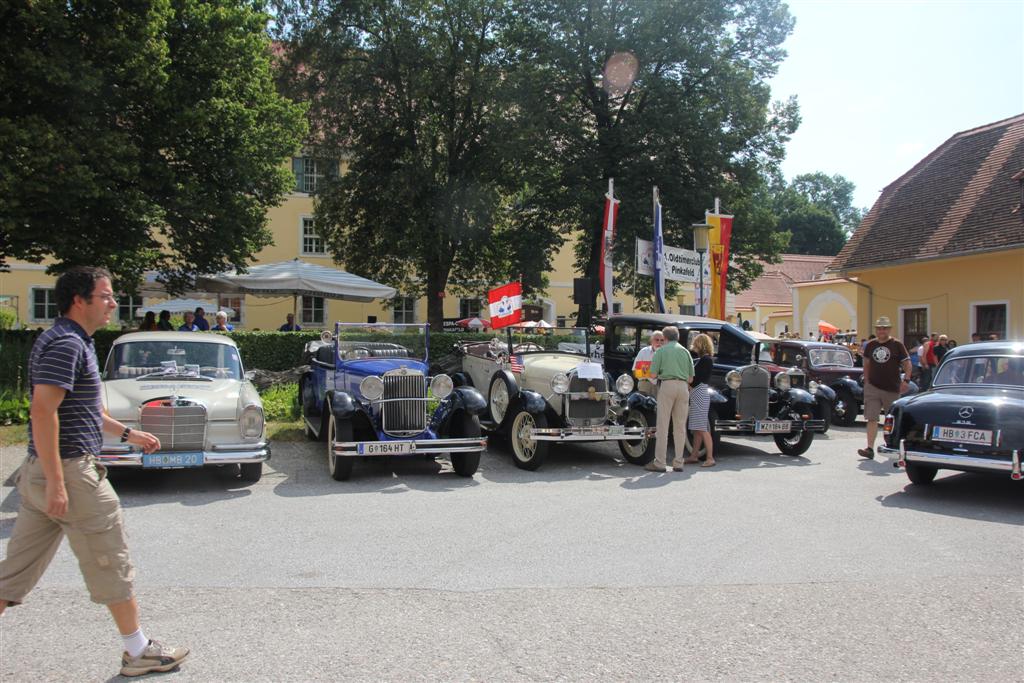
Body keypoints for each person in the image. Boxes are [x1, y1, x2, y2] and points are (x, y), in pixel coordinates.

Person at [0, 267, 189, 677]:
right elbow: (42, 412)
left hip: (48, 472)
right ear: (79, 301)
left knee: (11, 577)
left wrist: (127, 432)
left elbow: (81, 408)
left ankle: (138, 648)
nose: (113, 302)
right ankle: (139, 651)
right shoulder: (67, 344)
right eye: (105, 295)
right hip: (70, 473)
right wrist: (56, 482)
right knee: (112, 560)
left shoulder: (70, 340)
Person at [858, 316, 912, 460]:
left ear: (889, 329)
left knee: (892, 419)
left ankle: (893, 446)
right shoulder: (870, 345)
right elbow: (867, 364)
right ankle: (869, 448)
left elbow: (907, 364)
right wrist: (867, 381)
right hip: (873, 387)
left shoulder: (897, 344)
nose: (881, 331)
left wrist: (906, 380)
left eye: (884, 328)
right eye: (879, 328)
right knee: (871, 418)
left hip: (892, 388)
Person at [646, 325, 694, 473]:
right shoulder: (686, 352)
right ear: (678, 337)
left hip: (667, 386)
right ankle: (679, 462)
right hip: (683, 387)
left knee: (663, 426)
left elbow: (653, 375)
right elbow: (691, 378)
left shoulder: (661, 351)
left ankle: (660, 462)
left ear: (665, 338)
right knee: (680, 427)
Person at [683, 333, 715, 468]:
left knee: (701, 428)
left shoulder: (705, 360)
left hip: (699, 392)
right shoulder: (705, 359)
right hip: (700, 393)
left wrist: (688, 383)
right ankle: (694, 455)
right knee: (697, 428)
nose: (693, 345)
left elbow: (697, 379)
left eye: (695, 343)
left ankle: (710, 457)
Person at [632, 330, 665, 396]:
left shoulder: (667, 353)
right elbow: (634, 371)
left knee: (659, 406)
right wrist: (650, 373)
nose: (659, 342)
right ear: (651, 341)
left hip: (661, 385)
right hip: (645, 384)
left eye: (662, 340)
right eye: (657, 340)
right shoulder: (644, 351)